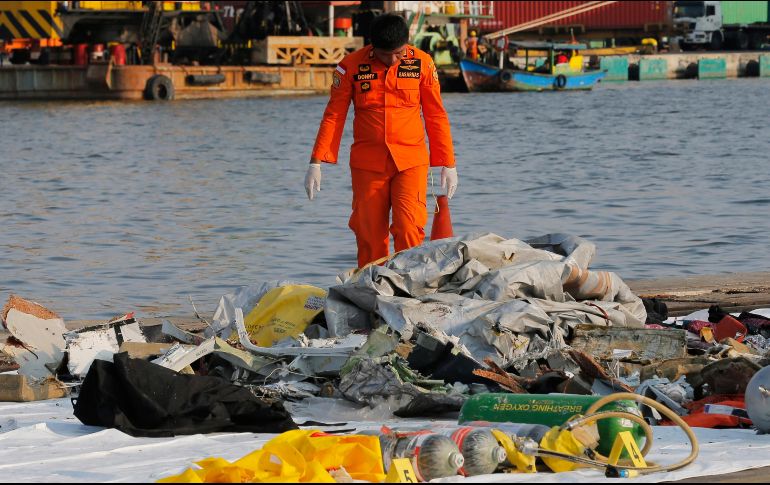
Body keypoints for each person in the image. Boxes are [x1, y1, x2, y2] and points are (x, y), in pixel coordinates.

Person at [305, 14, 458, 269]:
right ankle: (370, 290)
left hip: (411, 162)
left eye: (398, 54)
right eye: (386, 55)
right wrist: (316, 162)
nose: (393, 60)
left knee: (409, 227)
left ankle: (408, 288)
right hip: (368, 165)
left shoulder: (423, 64)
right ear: (372, 47)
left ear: (406, 45)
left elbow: (436, 115)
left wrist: (448, 163)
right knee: (369, 235)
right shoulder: (350, 67)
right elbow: (334, 114)